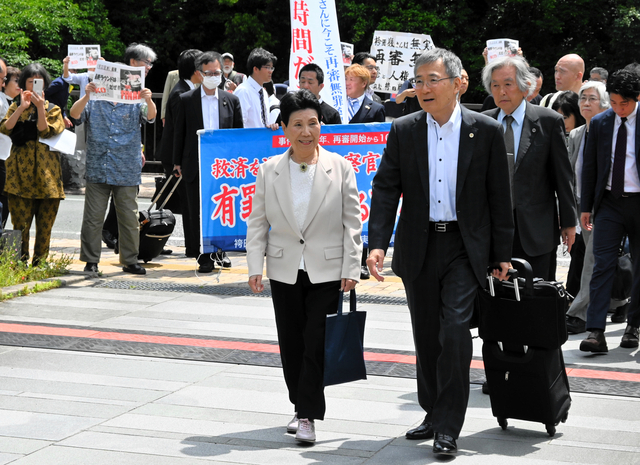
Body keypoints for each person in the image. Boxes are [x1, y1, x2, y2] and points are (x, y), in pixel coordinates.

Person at [367, 48, 513, 456]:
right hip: (419, 244)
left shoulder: (483, 130)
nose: (425, 88)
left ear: (455, 83)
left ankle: (449, 425)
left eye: (433, 79)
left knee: (454, 331)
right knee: (427, 335)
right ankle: (432, 411)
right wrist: (377, 243)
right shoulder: (404, 129)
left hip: (465, 248)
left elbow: (499, 196)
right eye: (419, 81)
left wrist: (501, 252)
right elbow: (385, 188)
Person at [246, 89, 362, 444]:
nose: (306, 131)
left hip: (327, 270)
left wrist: (351, 266)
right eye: (298, 124)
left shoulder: (340, 167)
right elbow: (257, 222)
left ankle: (308, 414)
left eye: (313, 123)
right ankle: (300, 405)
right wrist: (254, 266)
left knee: (316, 342)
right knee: (291, 344)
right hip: (284, 269)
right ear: (284, 129)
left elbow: (352, 222)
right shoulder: (269, 171)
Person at [482, 56, 577, 280]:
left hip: (535, 229)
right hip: (491, 230)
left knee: (536, 300)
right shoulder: (482, 124)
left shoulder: (548, 121)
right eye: (495, 85)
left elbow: (562, 177)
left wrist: (568, 221)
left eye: (508, 84)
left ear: (525, 87)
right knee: (494, 300)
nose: (501, 91)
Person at [70, 70, 157, 275]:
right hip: (99, 166)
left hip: (126, 167)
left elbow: (151, 116)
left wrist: (149, 100)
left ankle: (130, 260)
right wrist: (86, 95)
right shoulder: (95, 100)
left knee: (128, 217)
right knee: (93, 217)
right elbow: (75, 114)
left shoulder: (135, 101)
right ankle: (91, 260)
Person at [579, 69, 640, 353]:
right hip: (609, 203)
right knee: (602, 263)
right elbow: (590, 167)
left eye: (624, 104)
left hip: (639, 201)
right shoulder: (602, 123)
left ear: (637, 98)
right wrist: (585, 207)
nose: (618, 109)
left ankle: (633, 326)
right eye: (613, 103)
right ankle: (595, 331)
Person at [173, 51, 243, 273]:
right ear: (199, 73)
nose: (213, 76)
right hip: (195, 164)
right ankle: (203, 256)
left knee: (221, 209)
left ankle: (220, 252)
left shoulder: (231, 100)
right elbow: (179, 133)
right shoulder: (186, 100)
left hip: (223, 167)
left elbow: (237, 134)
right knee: (196, 211)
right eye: (209, 73)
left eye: (217, 72)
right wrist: (176, 162)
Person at [564, 81, 625, 334]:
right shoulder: (577, 133)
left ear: (605, 104)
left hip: (605, 206)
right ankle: (620, 300)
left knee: (592, 261)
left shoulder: (613, 130)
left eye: (592, 98)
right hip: (580, 205)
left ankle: (577, 314)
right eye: (583, 98)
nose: (585, 103)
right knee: (597, 260)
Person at [0, 63, 65, 265]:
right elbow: (5, 128)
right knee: (20, 224)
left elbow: (46, 131)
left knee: (45, 226)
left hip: (48, 178)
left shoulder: (54, 109)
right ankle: (19, 262)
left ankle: (40, 262)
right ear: (23, 84)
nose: (34, 85)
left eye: (38, 81)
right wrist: (21, 107)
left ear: (44, 84)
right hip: (20, 176)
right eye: (30, 81)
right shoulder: (15, 106)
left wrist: (39, 108)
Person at [345, 63, 385, 280]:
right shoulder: (336, 106)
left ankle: (361, 261)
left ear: (363, 83)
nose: (348, 83)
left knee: (362, 211)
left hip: (363, 167)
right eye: (346, 79)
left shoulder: (376, 108)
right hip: (342, 166)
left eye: (352, 79)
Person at [233, 48, 279, 130]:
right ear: (256, 69)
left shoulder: (263, 92)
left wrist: (271, 126)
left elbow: (264, 123)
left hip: (262, 140)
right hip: (248, 141)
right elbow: (239, 126)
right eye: (268, 67)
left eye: (272, 68)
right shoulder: (243, 91)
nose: (271, 71)